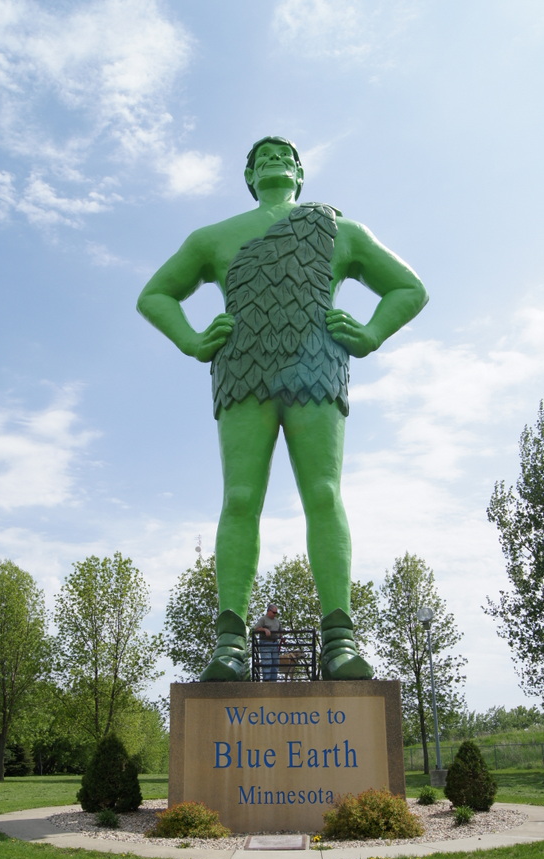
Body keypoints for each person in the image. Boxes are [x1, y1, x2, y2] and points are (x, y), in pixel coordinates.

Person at [137, 136, 428, 683]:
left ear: (300, 171)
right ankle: (229, 642)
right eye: (260, 157)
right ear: (248, 177)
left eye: (284, 155)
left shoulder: (340, 229)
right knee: (241, 497)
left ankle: (340, 639)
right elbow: (155, 294)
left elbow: (408, 288)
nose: (273, 159)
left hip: (316, 367)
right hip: (243, 370)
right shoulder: (213, 237)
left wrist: (369, 334)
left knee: (322, 493)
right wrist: (193, 340)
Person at [253, 603, 282, 681]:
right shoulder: (263, 619)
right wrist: (264, 629)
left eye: (276, 613)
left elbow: (280, 632)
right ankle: (267, 681)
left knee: (275, 663)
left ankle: (273, 681)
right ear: (269, 611)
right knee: (267, 662)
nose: (275, 614)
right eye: (274, 612)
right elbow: (256, 628)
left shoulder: (277, 621)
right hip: (265, 643)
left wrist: (282, 637)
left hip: (275, 643)